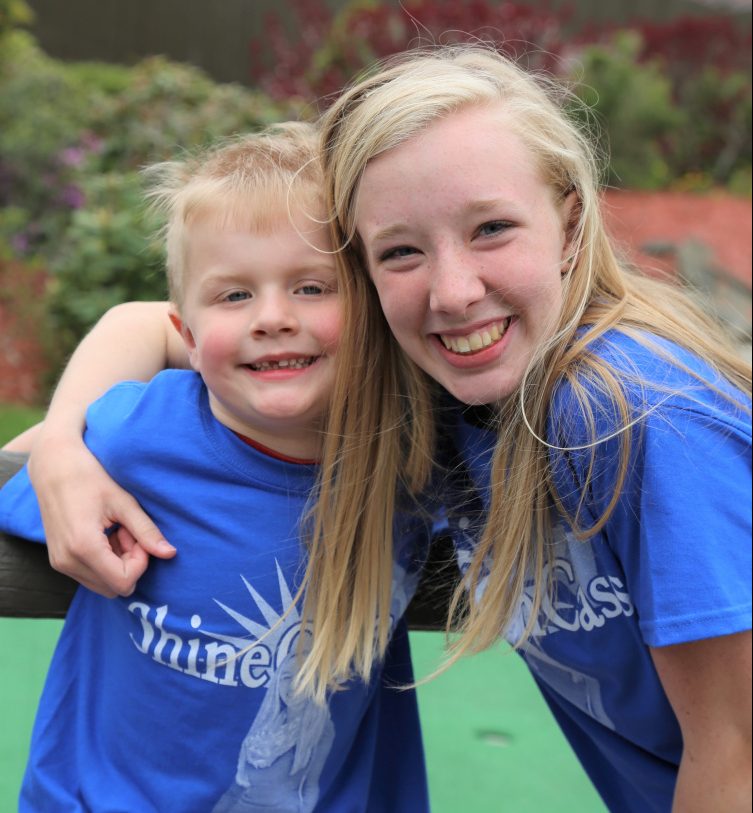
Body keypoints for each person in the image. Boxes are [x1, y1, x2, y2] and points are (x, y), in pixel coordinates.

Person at [12, 45, 752, 812]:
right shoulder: (453, 409)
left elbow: (738, 750)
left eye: (492, 227)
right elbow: (155, 323)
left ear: (569, 224)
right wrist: (64, 444)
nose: (455, 291)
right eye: (400, 251)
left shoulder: (630, 409)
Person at [0, 122, 433, 812]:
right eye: (234, 295)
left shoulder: (410, 456)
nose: (272, 316)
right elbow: (30, 472)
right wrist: (58, 441)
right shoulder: (137, 434)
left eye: (313, 286)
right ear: (189, 338)